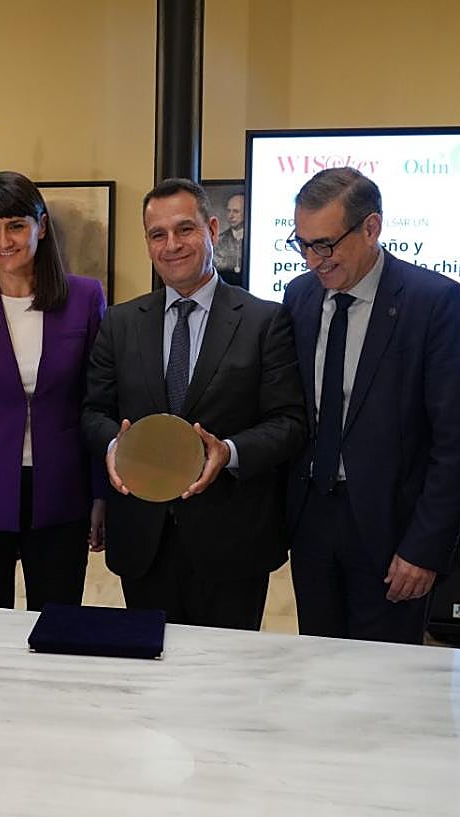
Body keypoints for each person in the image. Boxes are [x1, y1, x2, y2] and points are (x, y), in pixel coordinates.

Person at [82, 177, 305, 630]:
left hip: (233, 540)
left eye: (184, 229)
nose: (171, 245)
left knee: (224, 684)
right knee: (150, 674)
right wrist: (114, 448)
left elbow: (289, 421)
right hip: (145, 540)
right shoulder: (121, 323)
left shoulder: (265, 320)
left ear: (213, 228)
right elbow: (92, 413)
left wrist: (229, 452)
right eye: (157, 234)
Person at [282, 167, 460, 644]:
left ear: (371, 228)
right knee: (319, 667)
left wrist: (424, 549)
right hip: (312, 519)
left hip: (393, 531)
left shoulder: (434, 302)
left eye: (325, 244)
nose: (314, 260)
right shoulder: (300, 296)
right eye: (303, 244)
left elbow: (456, 440)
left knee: (385, 684)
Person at [0, 171, 106, 610]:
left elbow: (97, 402)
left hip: (62, 492)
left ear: (41, 226)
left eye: (15, 225)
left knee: (59, 623)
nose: (2, 240)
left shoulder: (85, 298)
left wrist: (101, 493)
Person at [213, 191, 246, 286]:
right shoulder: (218, 241)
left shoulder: (256, 240)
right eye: (229, 211)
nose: (231, 216)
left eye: (236, 211)